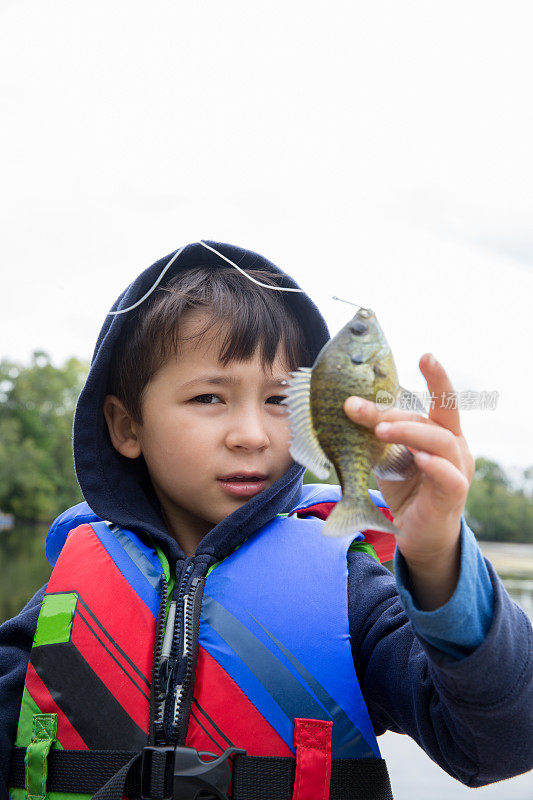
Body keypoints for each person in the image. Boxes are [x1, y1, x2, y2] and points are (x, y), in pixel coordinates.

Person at [1, 240, 532, 800]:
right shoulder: (65, 595)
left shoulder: (352, 594)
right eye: (209, 398)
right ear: (127, 427)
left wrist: (439, 561)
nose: (251, 435)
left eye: (280, 401)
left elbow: (502, 741)